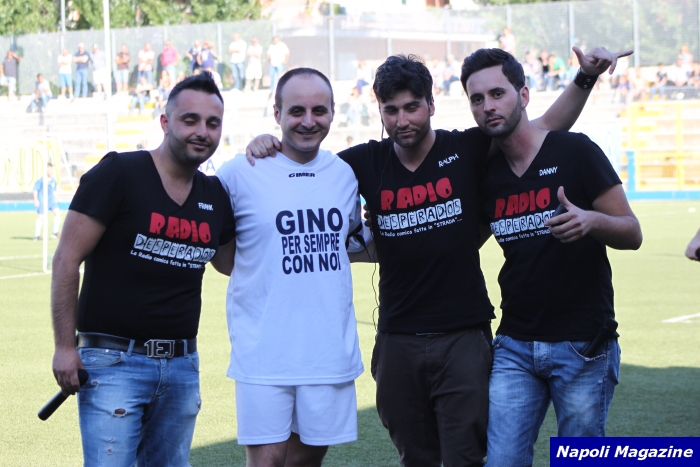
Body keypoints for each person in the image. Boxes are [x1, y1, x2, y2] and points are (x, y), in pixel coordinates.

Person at [245, 46, 630, 467]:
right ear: (380, 112)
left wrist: (585, 78)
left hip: (463, 336)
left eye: (412, 107)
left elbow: (542, 127)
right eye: (391, 110)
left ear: (431, 104)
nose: (402, 120)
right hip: (397, 339)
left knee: (468, 458)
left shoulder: (467, 149)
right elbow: (305, 168)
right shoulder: (361, 163)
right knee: (416, 458)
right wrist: (269, 145)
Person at [461, 47, 642, 467]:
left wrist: (591, 221)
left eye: (497, 94)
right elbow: (461, 242)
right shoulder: (485, 174)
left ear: (523, 95)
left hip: (583, 345)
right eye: (477, 99)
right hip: (514, 345)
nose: (488, 106)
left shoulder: (575, 152)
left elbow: (632, 232)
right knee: (502, 461)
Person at [50, 72, 235, 466]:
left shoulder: (214, 194)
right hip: (113, 362)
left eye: (213, 123)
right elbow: (66, 259)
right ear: (165, 122)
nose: (202, 132)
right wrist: (65, 348)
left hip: (183, 365)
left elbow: (230, 263)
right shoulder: (119, 172)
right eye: (190, 120)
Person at [216, 68, 367, 467]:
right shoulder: (239, 172)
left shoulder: (344, 175)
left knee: (306, 461)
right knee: (266, 462)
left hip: (328, 351)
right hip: (263, 351)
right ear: (277, 113)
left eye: (319, 110)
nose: (308, 121)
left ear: (333, 112)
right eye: (296, 110)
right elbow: (222, 258)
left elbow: (350, 241)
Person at [33, 162, 61, 240]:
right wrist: (36, 200)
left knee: (58, 213)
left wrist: (57, 197)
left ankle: (55, 232)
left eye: (51, 170)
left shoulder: (53, 180)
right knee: (41, 217)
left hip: (51, 200)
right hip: (42, 201)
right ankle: (36, 236)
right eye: (48, 169)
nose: (50, 171)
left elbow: (53, 190)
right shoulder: (41, 180)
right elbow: (35, 190)